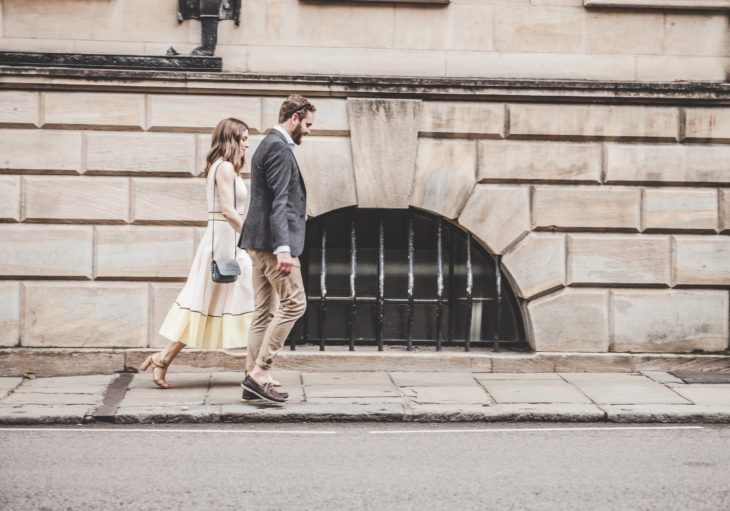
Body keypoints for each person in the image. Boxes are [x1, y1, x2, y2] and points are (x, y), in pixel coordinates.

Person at [140, 117, 254, 389]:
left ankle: (163, 358)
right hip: (224, 244)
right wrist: (251, 237)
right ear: (232, 139)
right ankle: (258, 370)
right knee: (218, 303)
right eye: (244, 138)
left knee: (216, 305)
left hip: (227, 241)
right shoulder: (224, 167)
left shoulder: (224, 167)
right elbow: (227, 210)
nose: (247, 144)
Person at [239, 95, 316, 403]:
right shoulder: (279, 149)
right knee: (296, 303)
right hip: (273, 244)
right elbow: (279, 203)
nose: (309, 131)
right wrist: (283, 248)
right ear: (294, 118)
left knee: (263, 312)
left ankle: (252, 377)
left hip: (257, 241)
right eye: (308, 124)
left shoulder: (267, 144)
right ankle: (260, 371)